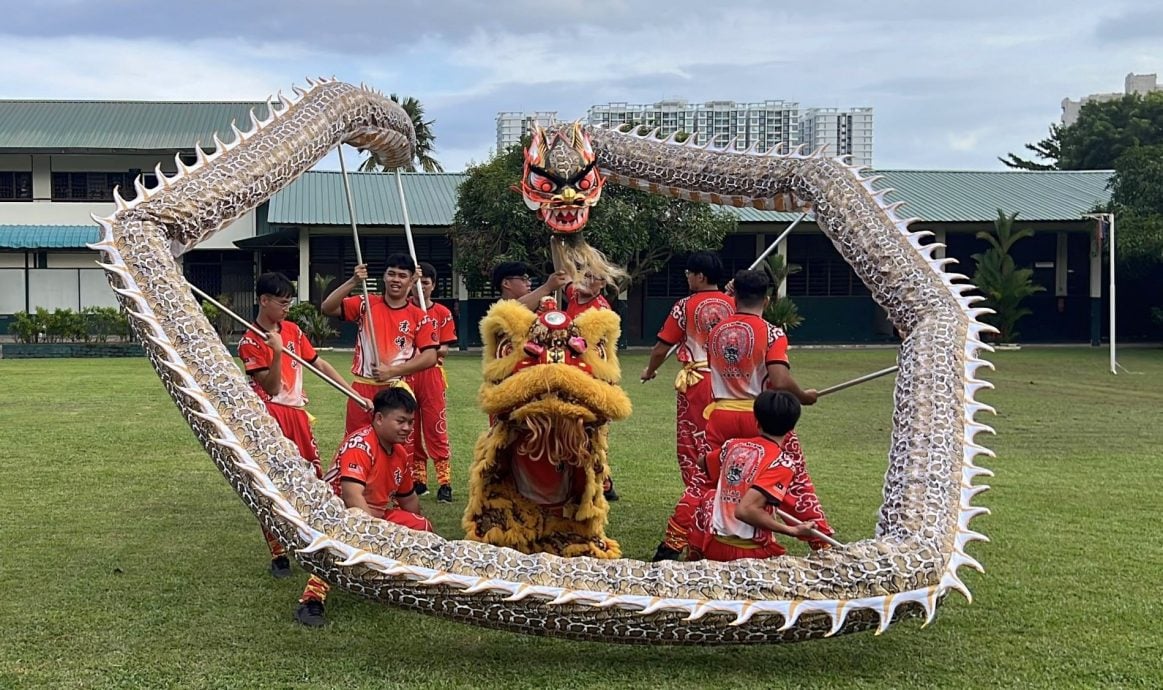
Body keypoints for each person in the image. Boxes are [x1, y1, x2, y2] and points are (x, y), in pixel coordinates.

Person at [655, 269, 833, 560]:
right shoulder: (772, 333)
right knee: (793, 477)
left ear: (734, 296)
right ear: (768, 299)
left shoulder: (716, 332)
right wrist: (804, 397)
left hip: (721, 416)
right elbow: (779, 378)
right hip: (760, 415)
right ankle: (823, 543)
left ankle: (674, 542)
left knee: (707, 479)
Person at [237, 272, 369, 579]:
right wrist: (277, 352)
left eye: (289, 303)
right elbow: (271, 388)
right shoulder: (250, 341)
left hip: (297, 415)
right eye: (282, 303)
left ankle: (313, 540)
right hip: (270, 417)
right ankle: (278, 551)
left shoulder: (293, 330)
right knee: (272, 485)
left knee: (312, 477)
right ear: (264, 301)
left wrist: (352, 392)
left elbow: (317, 363)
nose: (286, 309)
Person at [295, 386, 433, 627]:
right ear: (379, 418)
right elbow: (352, 496)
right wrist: (376, 534)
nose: (407, 428)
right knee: (339, 541)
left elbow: (409, 499)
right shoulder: (360, 445)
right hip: (338, 514)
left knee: (422, 527)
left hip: (377, 515)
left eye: (411, 422)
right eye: (401, 421)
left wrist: (414, 538)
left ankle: (409, 584)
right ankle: (311, 600)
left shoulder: (400, 453)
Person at [639, 252, 734, 559]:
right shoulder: (735, 304)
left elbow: (661, 346)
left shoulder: (684, 306)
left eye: (690, 273)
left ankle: (698, 508)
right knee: (725, 446)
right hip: (732, 385)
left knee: (695, 450)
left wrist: (650, 370)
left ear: (701, 277)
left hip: (697, 384)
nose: (687, 278)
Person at [687, 390, 821, 561]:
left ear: (756, 421)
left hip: (715, 546)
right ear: (791, 428)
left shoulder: (732, 446)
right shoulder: (781, 463)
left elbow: (702, 462)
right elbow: (746, 511)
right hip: (750, 553)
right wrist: (792, 530)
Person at [321, 253, 439, 435]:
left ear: (411, 280)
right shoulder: (366, 303)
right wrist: (353, 281)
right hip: (362, 388)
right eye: (391, 274)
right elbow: (327, 308)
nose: (396, 280)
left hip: (395, 389)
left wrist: (392, 371)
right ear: (384, 276)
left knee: (395, 448)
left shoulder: (419, 316)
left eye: (402, 276)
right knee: (357, 442)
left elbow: (431, 356)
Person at [563, 268, 619, 502]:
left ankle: (602, 482)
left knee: (590, 429)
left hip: (591, 373)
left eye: (592, 277)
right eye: (584, 275)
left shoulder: (601, 309)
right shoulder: (575, 295)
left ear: (602, 284)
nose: (586, 280)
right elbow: (562, 272)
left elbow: (596, 347)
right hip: (572, 371)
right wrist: (558, 240)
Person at [408, 261, 457, 502]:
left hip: (431, 374)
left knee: (435, 427)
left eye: (425, 282)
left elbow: (444, 349)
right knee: (409, 427)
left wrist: (428, 349)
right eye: (415, 282)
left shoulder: (442, 314)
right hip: (406, 374)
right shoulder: (403, 310)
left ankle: (445, 482)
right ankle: (418, 480)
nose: (420, 287)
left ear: (433, 286)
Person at [491, 260, 568, 310]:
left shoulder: (537, 307)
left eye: (529, 280)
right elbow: (515, 311)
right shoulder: (497, 314)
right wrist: (548, 287)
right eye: (523, 279)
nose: (529, 284)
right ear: (506, 283)